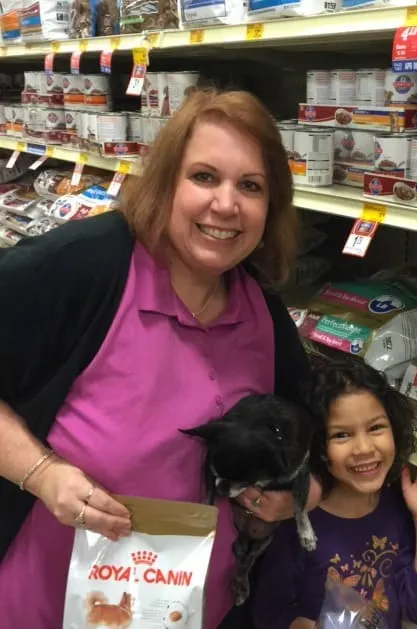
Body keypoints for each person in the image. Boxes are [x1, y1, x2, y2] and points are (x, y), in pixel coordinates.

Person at [0, 88, 321, 629]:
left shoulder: (260, 308)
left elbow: (311, 425)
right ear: (166, 181)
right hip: (50, 603)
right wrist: (42, 474)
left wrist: (297, 494)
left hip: (196, 609)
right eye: (204, 177)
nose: (226, 204)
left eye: (251, 186)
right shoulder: (83, 268)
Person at [252, 355, 417, 629]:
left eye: (376, 427)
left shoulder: (397, 507)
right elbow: (268, 612)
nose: (364, 449)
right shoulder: (296, 523)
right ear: (316, 446)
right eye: (341, 435)